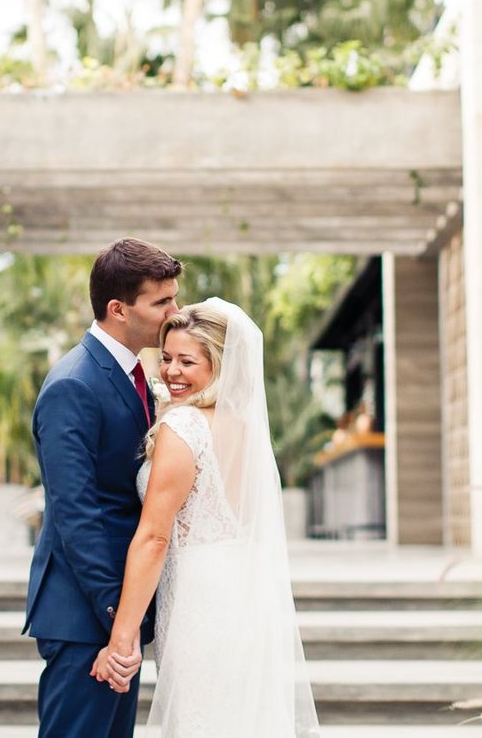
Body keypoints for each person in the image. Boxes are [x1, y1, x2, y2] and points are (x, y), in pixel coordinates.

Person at [93, 299, 319, 737]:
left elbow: (155, 537)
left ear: (219, 363)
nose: (171, 371)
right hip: (241, 592)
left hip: (200, 602)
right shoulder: (246, 428)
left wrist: (121, 640)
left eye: (187, 361)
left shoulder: (186, 428)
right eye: (167, 359)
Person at [25, 238, 183, 738]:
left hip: (118, 614)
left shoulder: (135, 374)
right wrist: (119, 617)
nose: (175, 312)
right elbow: (77, 514)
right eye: (162, 302)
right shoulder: (74, 384)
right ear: (118, 309)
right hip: (86, 614)